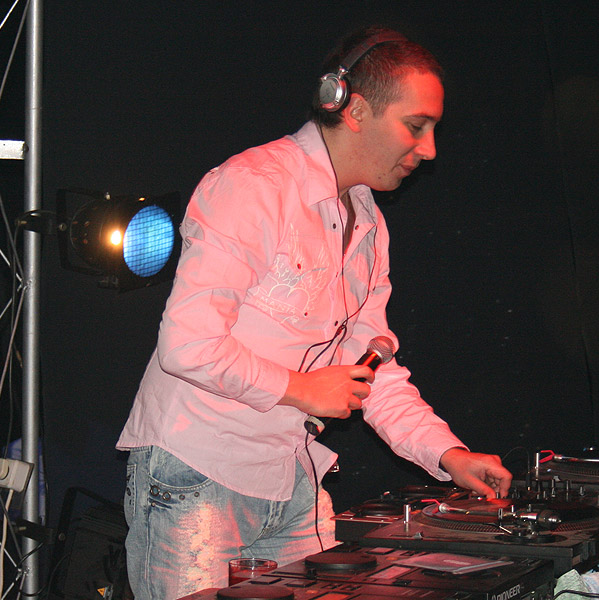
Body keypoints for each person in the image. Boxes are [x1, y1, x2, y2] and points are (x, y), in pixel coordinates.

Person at [116, 26, 512, 599]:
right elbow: (188, 344)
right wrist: (302, 389)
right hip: (197, 473)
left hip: (292, 477)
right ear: (353, 109)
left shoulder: (369, 223)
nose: (429, 149)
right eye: (416, 126)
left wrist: (446, 454)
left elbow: (372, 369)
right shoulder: (253, 186)